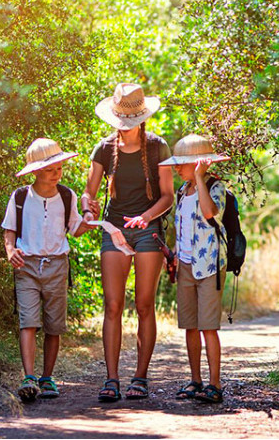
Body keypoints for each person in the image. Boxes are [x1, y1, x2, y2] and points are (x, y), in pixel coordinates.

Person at [81, 83, 174, 401]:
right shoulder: (104, 149)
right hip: (113, 231)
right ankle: (111, 380)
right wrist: (86, 206)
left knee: (145, 305)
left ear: (141, 118)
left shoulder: (158, 146)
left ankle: (140, 377)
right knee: (113, 306)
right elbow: (88, 192)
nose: (125, 126)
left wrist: (146, 217)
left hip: (148, 232)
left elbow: (167, 197)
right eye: (121, 119)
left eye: (130, 120)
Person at [2, 137, 99, 402]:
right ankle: (29, 377)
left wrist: (92, 219)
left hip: (57, 265)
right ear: (35, 171)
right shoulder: (21, 196)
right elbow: (9, 229)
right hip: (27, 266)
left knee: (54, 325)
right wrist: (10, 251)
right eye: (50, 169)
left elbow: (76, 229)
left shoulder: (67, 196)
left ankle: (47, 378)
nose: (57, 173)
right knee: (28, 322)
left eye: (59, 168)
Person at [158, 134, 230, 404]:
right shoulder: (180, 192)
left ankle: (215, 383)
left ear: (199, 164)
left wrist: (200, 178)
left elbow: (210, 213)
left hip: (209, 265)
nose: (177, 169)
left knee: (208, 327)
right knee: (190, 326)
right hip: (186, 264)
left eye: (183, 164)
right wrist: (174, 256)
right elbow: (182, 229)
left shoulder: (215, 187)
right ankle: (195, 379)